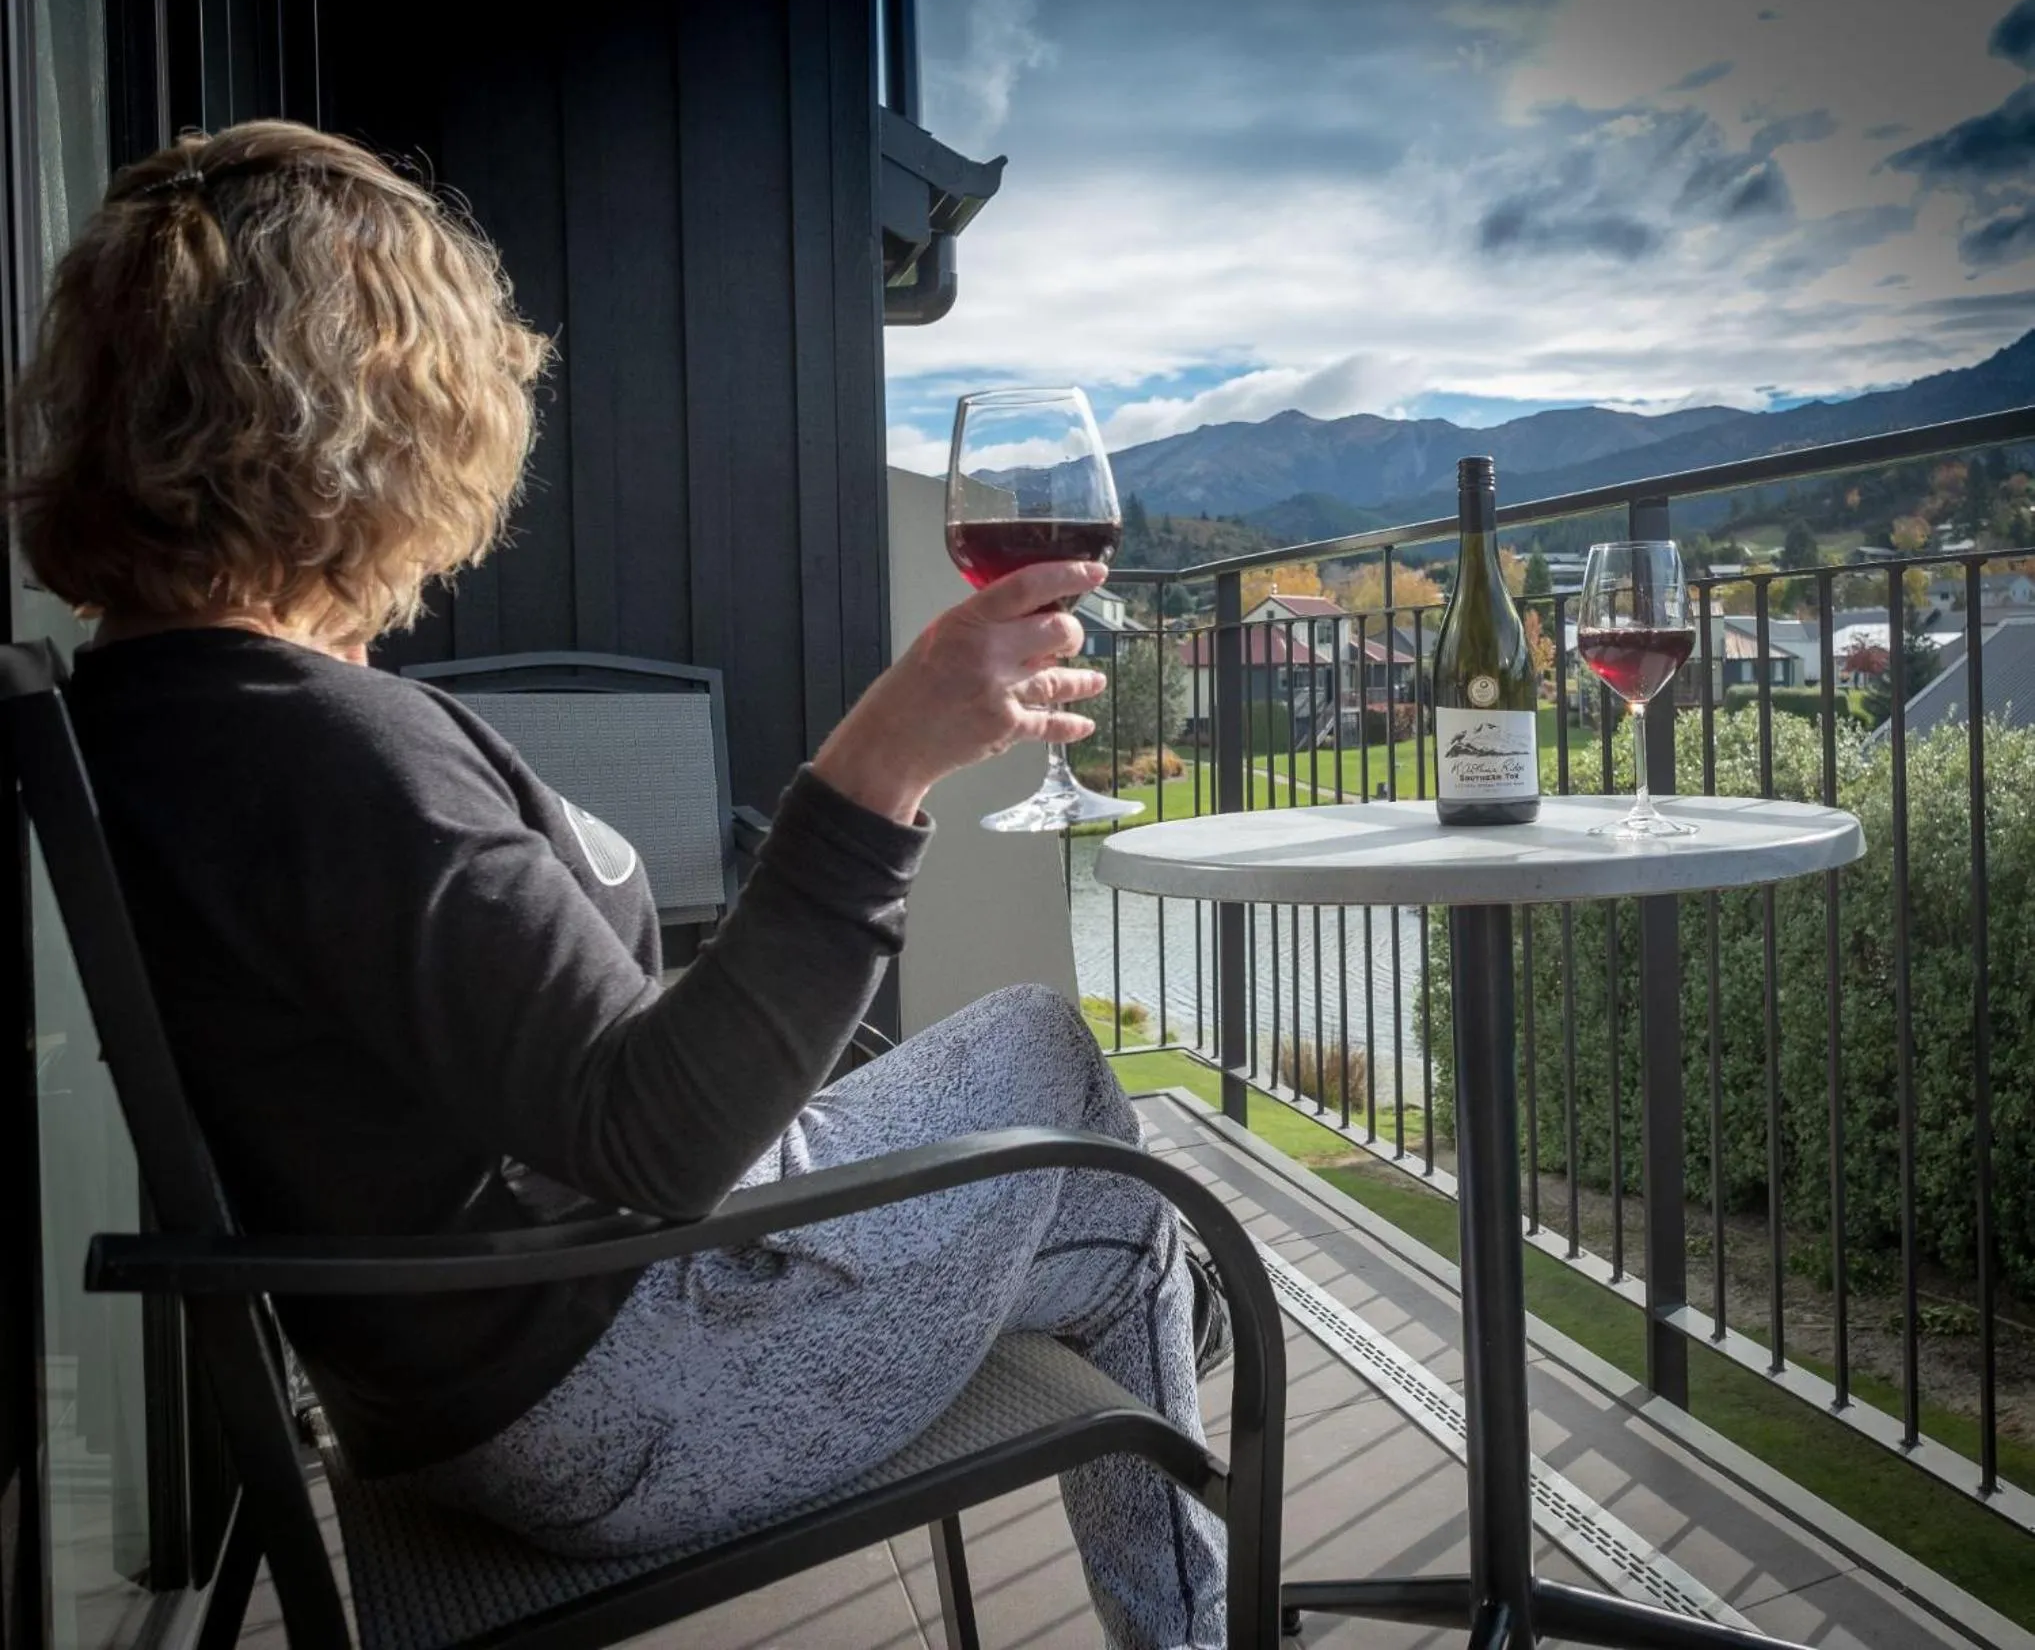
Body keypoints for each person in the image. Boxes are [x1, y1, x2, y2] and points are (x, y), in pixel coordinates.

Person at [12, 121, 1231, 1650]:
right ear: (382, 415)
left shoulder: (163, 713)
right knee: (1120, 1206)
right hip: (614, 1405)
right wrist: (879, 768)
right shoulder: (321, 749)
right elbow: (646, 1133)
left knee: (1049, 1091)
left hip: (484, 1355)